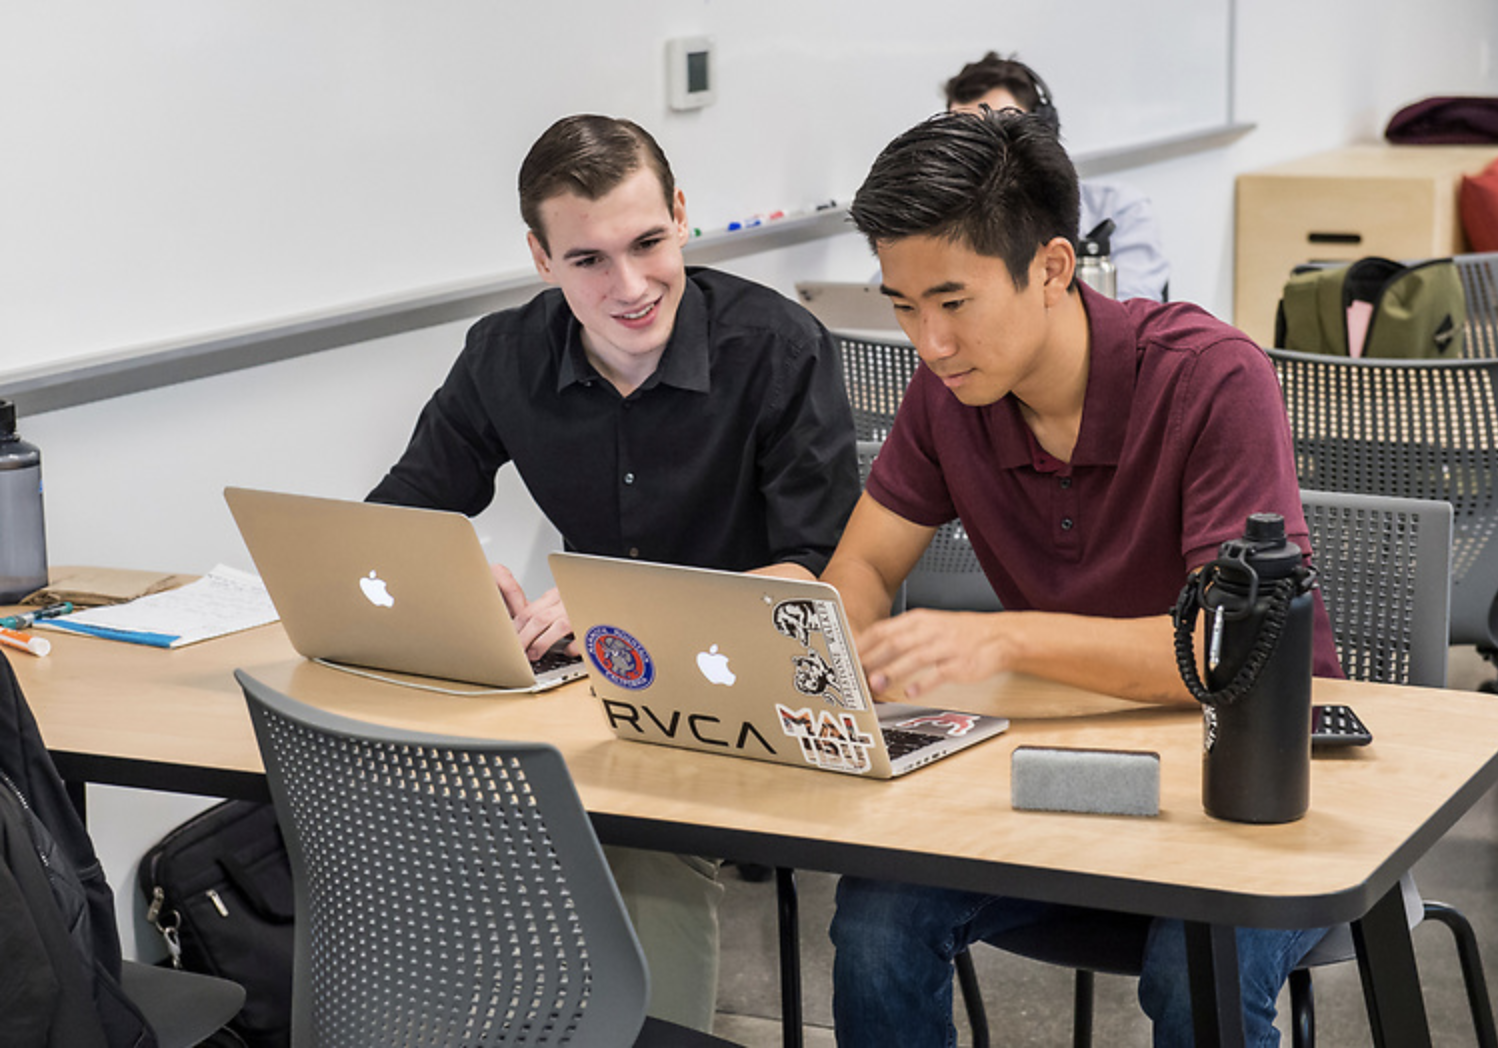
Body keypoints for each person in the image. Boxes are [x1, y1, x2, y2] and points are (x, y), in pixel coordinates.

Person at [823, 108, 1344, 1047]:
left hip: (1254, 779)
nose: (928, 344)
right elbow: (863, 562)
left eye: (952, 302)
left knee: (1198, 967)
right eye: (903, 308)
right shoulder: (951, 395)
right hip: (1063, 768)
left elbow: (1225, 651)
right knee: (875, 921)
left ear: (1054, 269)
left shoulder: (1210, 378)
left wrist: (1003, 635)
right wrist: (831, 658)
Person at [368, 114, 860, 1032]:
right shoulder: (503, 355)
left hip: (747, 682)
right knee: (414, 794)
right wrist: (445, 575)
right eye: (588, 260)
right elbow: (396, 515)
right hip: (590, 688)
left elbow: (821, 575)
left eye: (648, 243)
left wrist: (624, 621)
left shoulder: (780, 348)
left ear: (681, 214)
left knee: (637, 837)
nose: (630, 287)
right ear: (540, 258)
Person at [945, 51, 1171, 302]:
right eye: (966, 136)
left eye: (1000, 130)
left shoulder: (1120, 209)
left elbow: (1135, 312)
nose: (982, 149)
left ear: (1044, 132)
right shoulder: (947, 225)